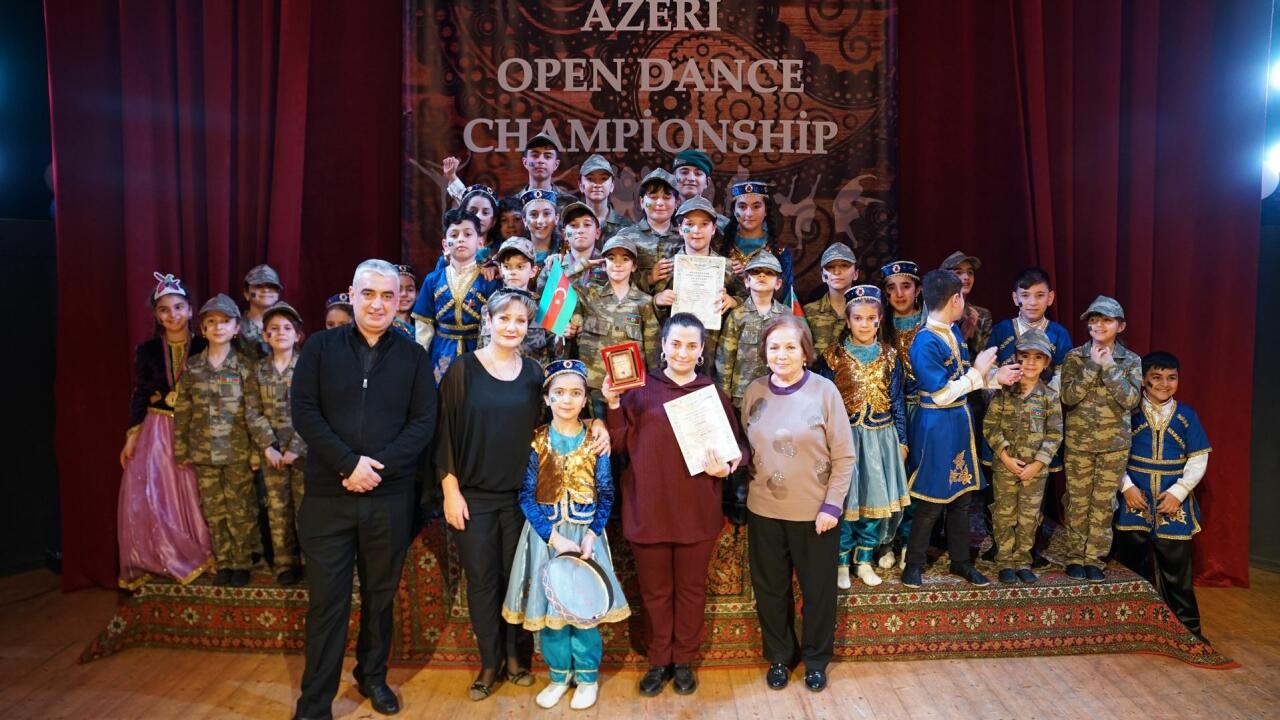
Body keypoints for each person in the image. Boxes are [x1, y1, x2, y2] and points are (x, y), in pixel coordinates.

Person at [436, 289, 611, 701]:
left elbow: (563, 414)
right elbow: (443, 433)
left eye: (520, 321)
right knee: (482, 581)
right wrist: (450, 490)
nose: (512, 327)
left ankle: (516, 658)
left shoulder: (533, 373)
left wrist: (598, 424)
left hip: (523, 499)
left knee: (518, 580)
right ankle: (489, 662)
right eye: (504, 319)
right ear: (489, 321)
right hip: (473, 496)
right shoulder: (463, 370)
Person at [290, 259, 438, 719]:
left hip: (388, 499)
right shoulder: (320, 347)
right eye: (368, 294)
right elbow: (304, 411)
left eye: (387, 296)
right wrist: (348, 463)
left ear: (398, 301)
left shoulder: (413, 356)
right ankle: (315, 702)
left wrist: (376, 469)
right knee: (327, 605)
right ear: (352, 295)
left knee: (379, 599)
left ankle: (372, 676)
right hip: (327, 498)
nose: (377, 304)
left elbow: (423, 423)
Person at [604, 312, 750, 697]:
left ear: (701, 351)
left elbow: (739, 447)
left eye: (691, 346)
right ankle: (658, 661)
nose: (683, 352)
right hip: (647, 509)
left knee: (690, 590)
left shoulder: (710, 392)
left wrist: (728, 466)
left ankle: (683, 660)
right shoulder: (639, 390)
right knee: (654, 593)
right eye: (676, 344)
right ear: (663, 346)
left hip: (696, 510)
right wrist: (613, 404)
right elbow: (618, 444)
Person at [501, 359, 630, 710]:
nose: (567, 400)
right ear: (547, 398)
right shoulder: (536, 441)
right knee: (552, 612)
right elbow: (526, 496)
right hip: (547, 539)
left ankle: (587, 677)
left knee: (584, 608)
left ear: (585, 400)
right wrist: (553, 538)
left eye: (575, 393)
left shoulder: (595, 442)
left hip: (586, 538)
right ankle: (559, 675)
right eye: (559, 393)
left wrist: (592, 534)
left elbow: (606, 492)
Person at [742, 315, 852, 693]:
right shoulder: (754, 391)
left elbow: (845, 456)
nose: (782, 354)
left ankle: (816, 660)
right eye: (774, 347)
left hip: (815, 514)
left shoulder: (825, 392)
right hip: (763, 510)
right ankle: (779, 656)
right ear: (764, 353)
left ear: (805, 352)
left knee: (818, 592)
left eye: (790, 347)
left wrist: (832, 506)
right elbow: (745, 446)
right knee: (771, 590)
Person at [901, 271, 1019, 589]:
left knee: (962, 497)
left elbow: (964, 377)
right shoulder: (925, 341)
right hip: (936, 426)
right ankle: (913, 564)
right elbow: (941, 394)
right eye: (962, 297)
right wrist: (979, 373)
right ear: (956, 299)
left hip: (958, 424)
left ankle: (961, 561)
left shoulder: (953, 331)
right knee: (931, 500)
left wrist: (995, 378)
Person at [117, 273, 213, 589]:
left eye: (178, 307)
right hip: (158, 430)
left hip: (195, 428)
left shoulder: (205, 345)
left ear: (190, 310)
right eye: (164, 310)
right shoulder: (147, 350)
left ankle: (203, 550)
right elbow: (141, 393)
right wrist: (132, 436)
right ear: (157, 315)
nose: (172, 315)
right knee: (160, 493)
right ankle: (165, 555)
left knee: (195, 489)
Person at [815, 285, 910, 589]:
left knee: (874, 500)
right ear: (848, 320)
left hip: (881, 438)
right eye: (858, 318)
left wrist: (902, 440)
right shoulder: (833, 356)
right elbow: (822, 403)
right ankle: (842, 562)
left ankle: (864, 559)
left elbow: (897, 400)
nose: (865, 324)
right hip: (846, 439)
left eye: (871, 318)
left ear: (879, 320)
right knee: (847, 501)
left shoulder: (890, 356)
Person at [1114, 350, 1211, 641]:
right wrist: (1126, 487)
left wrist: (1179, 493)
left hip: (1172, 503)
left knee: (1177, 572)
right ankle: (1132, 628)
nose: (1164, 384)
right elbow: (1113, 454)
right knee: (1131, 568)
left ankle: (1187, 633)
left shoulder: (1186, 416)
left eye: (1171, 378)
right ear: (1143, 380)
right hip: (1134, 500)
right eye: (1156, 377)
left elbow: (1198, 458)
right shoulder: (1128, 412)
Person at [172, 294, 259, 587]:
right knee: (214, 511)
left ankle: (241, 562)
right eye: (211, 322)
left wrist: (256, 452)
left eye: (225, 321)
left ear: (236, 328)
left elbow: (254, 412)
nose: (218, 327)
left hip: (238, 453)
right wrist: (181, 449)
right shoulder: (193, 367)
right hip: (203, 452)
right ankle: (225, 562)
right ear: (203, 329)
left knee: (240, 509)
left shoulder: (245, 366)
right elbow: (183, 410)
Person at [1059, 295, 1142, 581]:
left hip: (1113, 446)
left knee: (1104, 503)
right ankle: (1075, 556)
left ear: (1121, 326)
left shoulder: (1130, 360)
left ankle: (1094, 558)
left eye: (1106, 320)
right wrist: (1092, 366)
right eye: (1094, 320)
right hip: (1079, 444)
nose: (1099, 325)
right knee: (1077, 501)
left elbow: (1131, 400)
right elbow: (1068, 396)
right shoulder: (1075, 357)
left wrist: (1109, 367)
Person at [983, 329, 1063, 584]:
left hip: (1035, 471)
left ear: (1046, 363)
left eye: (1038, 357)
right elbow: (990, 426)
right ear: (1016, 357)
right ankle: (1006, 561)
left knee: (1029, 517)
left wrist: (1037, 464)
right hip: (1005, 466)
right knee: (1004, 514)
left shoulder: (1049, 396)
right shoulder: (1004, 392)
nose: (1030, 362)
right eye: (1025, 356)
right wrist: (1005, 457)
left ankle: (1023, 561)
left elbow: (1055, 434)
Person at [245, 301, 308, 586]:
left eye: (287, 328)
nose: (280, 333)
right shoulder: (258, 370)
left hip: (303, 454)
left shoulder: (308, 367)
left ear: (298, 335)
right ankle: (285, 563)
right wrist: (267, 446)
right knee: (277, 509)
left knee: (306, 510)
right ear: (265, 336)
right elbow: (252, 410)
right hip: (272, 455)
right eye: (274, 329)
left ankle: (309, 561)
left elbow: (314, 410)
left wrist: (296, 447)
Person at [570, 234, 660, 418]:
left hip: (632, 386)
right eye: (611, 258)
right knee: (599, 431)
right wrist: (585, 264)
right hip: (595, 385)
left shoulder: (644, 302)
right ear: (604, 264)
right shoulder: (590, 295)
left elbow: (652, 348)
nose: (618, 264)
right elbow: (560, 285)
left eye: (625, 259)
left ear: (634, 266)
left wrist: (654, 386)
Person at [651, 196, 745, 364]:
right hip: (676, 352)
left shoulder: (728, 267)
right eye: (689, 224)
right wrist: (657, 300)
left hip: (714, 350)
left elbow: (747, 300)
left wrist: (733, 301)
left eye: (704, 224)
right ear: (680, 229)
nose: (696, 230)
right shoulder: (667, 267)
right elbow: (647, 308)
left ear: (713, 229)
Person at [412, 208, 502, 383]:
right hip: (441, 352)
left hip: (479, 351)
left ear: (480, 242)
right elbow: (424, 326)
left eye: (468, 234)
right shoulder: (433, 280)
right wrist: (420, 361)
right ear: (446, 244)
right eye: (454, 235)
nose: (461, 239)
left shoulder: (489, 280)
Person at [716, 250, 789, 406]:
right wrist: (724, 395)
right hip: (742, 395)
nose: (762, 275)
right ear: (747, 282)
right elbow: (725, 357)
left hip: (778, 393)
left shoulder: (786, 315)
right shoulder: (737, 315)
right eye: (756, 272)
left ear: (778, 284)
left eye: (769, 273)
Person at [478, 237, 557, 364]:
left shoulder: (543, 309)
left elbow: (555, 353)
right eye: (507, 267)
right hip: (496, 372)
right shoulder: (488, 308)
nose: (513, 272)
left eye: (520, 267)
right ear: (500, 270)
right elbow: (481, 350)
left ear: (533, 271)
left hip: (533, 375)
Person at [986, 266, 1072, 382]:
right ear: (1015, 298)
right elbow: (988, 371)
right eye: (1025, 295)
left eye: (1040, 295)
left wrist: (1045, 393)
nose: (1033, 302)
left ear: (1050, 298)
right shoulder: (1001, 330)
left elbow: (1064, 375)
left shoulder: (1059, 334)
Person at [721, 181, 794, 301]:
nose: (749, 213)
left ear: (766, 211)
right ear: (734, 211)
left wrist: (750, 277)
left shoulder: (780, 250)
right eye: (742, 207)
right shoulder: (721, 246)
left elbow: (786, 296)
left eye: (756, 207)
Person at [618, 168, 680, 293]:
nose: (660, 203)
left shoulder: (686, 238)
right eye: (653, 197)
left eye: (667, 197)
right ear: (642, 202)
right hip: (637, 304)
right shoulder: (625, 237)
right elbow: (615, 279)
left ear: (677, 203)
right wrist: (649, 279)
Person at [881, 260, 924, 416]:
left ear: (917, 290)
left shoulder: (930, 323)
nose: (899, 294)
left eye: (906, 286)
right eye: (891, 288)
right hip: (894, 410)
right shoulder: (879, 327)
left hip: (928, 407)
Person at [802, 242, 858, 358]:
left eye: (844, 265)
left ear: (855, 274)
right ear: (823, 276)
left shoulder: (867, 311)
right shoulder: (808, 312)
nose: (837, 272)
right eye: (830, 267)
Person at [537, 201, 607, 293]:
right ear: (565, 234)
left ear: (597, 233)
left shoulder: (608, 264)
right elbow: (542, 297)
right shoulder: (554, 266)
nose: (580, 230)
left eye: (587, 225)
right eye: (573, 225)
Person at [941, 251, 993, 357]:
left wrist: (974, 333)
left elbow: (986, 355)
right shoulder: (936, 312)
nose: (966, 277)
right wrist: (962, 336)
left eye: (970, 272)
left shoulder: (983, 315)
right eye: (958, 272)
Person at [577, 153, 633, 244]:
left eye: (603, 178)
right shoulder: (571, 223)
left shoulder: (627, 228)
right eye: (590, 179)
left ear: (612, 186)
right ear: (580, 185)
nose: (597, 184)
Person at [670, 148, 730, 232]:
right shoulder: (660, 219)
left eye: (698, 174)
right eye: (684, 172)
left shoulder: (722, 225)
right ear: (673, 178)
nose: (691, 178)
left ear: (707, 182)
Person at [240, 263, 282, 359]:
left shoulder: (287, 327)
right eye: (258, 286)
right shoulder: (235, 328)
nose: (266, 290)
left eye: (271, 286)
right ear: (246, 293)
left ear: (277, 294)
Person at [521, 188, 561, 265]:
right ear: (525, 220)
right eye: (533, 214)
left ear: (556, 218)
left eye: (546, 214)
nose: (540, 221)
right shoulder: (515, 250)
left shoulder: (566, 250)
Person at [393, 264, 417, 339]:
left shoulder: (421, 325)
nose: (404, 294)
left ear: (417, 293)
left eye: (410, 290)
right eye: (398, 289)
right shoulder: (384, 328)